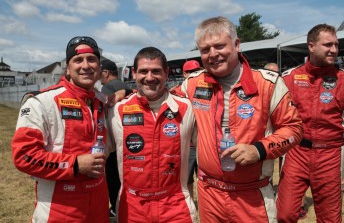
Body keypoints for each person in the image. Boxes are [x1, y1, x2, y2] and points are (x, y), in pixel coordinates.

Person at [175, 16, 303, 222]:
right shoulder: (191, 84)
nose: (213, 54)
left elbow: (294, 129)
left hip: (251, 195)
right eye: (205, 49)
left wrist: (259, 149)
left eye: (219, 46)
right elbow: (163, 103)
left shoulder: (267, 83)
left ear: (236, 44)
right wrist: (123, 95)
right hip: (209, 193)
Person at [11, 36, 109, 222]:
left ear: (99, 66)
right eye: (78, 60)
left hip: (98, 206)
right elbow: (24, 156)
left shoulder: (102, 101)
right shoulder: (42, 101)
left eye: (92, 59)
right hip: (60, 210)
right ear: (68, 68)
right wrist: (76, 165)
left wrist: (123, 92)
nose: (86, 65)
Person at [108, 47, 198, 222]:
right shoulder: (116, 110)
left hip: (176, 204)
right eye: (143, 71)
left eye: (156, 71)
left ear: (166, 73)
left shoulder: (187, 108)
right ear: (134, 73)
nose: (149, 77)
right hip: (132, 206)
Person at [277, 24, 344, 222]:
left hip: (330, 154)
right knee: (284, 214)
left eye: (336, 45)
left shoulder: (342, 79)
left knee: (330, 218)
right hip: (297, 152)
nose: (333, 49)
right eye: (328, 44)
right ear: (311, 46)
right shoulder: (289, 77)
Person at [100, 59, 131, 218]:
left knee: (113, 177)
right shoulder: (125, 86)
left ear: (106, 73)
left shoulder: (107, 87)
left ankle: (116, 207)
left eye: (100, 73)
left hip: (114, 139)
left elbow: (102, 111)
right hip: (130, 138)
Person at [181, 60, 202, 201]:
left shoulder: (204, 90)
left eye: (197, 71)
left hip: (202, 144)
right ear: (184, 74)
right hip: (187, 146)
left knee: (204, 178)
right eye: (192, 72)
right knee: (187, 179)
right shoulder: (178, 92)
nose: (196, 74)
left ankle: (204, 204)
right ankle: (191, 205)